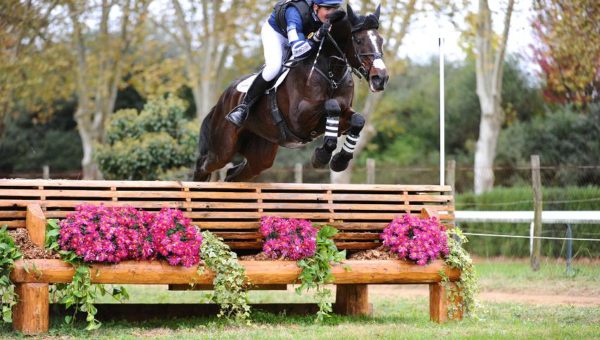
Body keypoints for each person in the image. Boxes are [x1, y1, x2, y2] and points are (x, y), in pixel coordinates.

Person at [226, 0, 343, 128]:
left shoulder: (329, 16)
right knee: (274, 68)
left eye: (335, 8)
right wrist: (317, 36)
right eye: (328, 9)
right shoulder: (295, 12)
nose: (332, 13)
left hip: (302, 36)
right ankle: (243, 107)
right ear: (316, 7)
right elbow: (298, 50)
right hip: (277, 35)